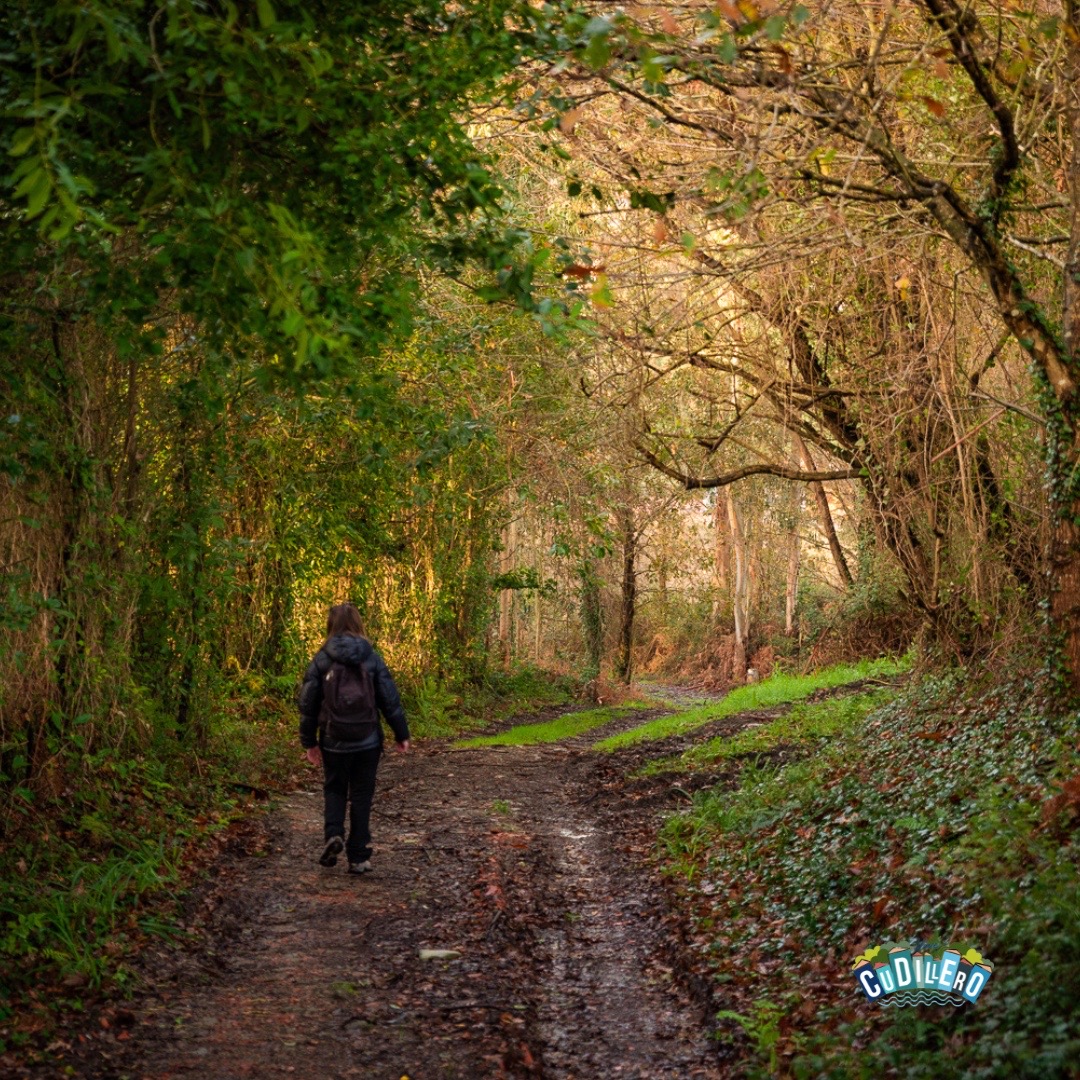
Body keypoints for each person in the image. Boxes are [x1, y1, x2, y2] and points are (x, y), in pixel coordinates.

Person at [298, 603, 410, 874]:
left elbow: (308, 704)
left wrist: (309, 742)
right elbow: (389, 699)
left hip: (334, 739)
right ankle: (358, 856)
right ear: (359, 624)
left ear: (331, 626)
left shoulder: (322, 659)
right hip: (367, 739)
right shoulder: (371, 657)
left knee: (334, 789)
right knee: (361, 795)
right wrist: (401, 733)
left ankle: (333, 835)